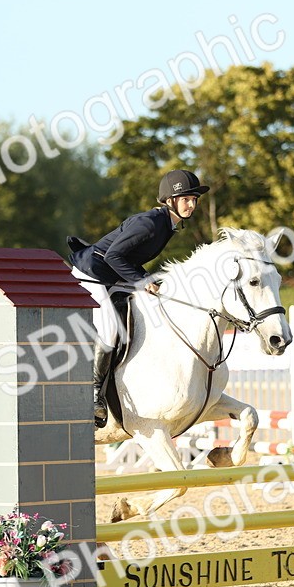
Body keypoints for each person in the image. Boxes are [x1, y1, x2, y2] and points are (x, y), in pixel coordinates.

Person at [68, 169, 209, 427]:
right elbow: (113, 256)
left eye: (194, 199)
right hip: (92, 273)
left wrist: (147, 279)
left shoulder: (167, 225)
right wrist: (142, 281)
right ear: (170, 200)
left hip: (110, 274)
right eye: (186, 199)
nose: (191, 205)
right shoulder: (151, 223)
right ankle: (94, 394)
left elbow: (128, 258)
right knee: (110, 328)